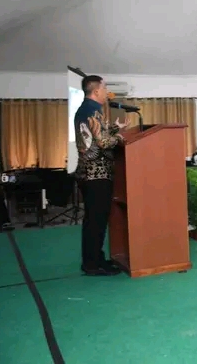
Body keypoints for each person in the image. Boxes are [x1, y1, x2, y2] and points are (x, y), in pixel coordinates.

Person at [75, 75, 127, 276]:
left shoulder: (87, 109)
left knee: (94, 220)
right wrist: (119, 137)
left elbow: (94, 136)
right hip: (96, 174)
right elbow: (103, 142)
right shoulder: (91, 110)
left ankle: (95, 259)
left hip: (90, 174)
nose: (107, 92)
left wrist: (113, 128)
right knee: (96, 221)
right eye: (105, 88)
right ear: (96, 91)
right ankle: (92, 264)